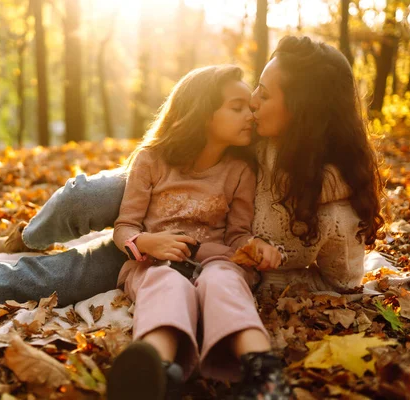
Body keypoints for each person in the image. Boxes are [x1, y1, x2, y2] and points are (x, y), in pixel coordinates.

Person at [0, 35, 383, 398]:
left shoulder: (276, 168)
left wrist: (260, 254)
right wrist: (144, 236)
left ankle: (189, 364)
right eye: (244, 99)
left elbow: (307, 258)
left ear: (299, 110)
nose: (254, 106)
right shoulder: (213, 149)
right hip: (146, 228)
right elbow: (133, 212)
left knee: (98, 274)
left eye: (260, 96)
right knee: (73, 220)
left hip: (207, 251)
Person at [101, 64, 287, 400]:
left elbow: (237, 236)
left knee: (224, 281)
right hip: (155, 265)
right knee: (167, 282)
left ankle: (265, 374)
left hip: (217, 262)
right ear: (202, 113)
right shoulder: (151, 160)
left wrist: (255, 246)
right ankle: (155, 371)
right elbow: (124, 226)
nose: (250, 115)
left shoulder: (240, 170)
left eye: (250, 106)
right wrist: (146, 242)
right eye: (236, 107)